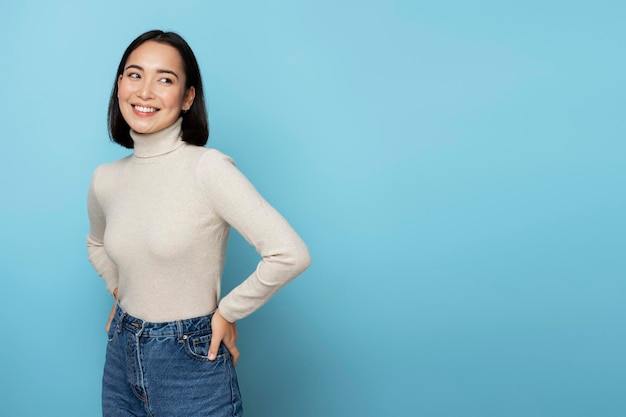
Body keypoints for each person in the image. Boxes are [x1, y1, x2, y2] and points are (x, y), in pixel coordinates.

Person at [87, 29, 311, 417]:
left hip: (189, 359)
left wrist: (226, 312)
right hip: (121, 353)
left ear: (188, 96)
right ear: (119, 84)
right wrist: (121, 289)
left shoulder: (207, 169)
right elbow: (96, 243)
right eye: (134, 74)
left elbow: (289, 254)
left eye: (165, 79)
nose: (145, 91)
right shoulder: (106, 178)